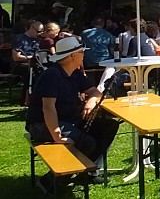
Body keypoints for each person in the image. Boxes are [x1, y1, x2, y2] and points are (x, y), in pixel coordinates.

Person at [25, 36, 119, 189]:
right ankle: (49, 183)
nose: (84, 55)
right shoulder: (52, 75)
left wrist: (91, 100)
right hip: (42, 125)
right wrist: (57, 136)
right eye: (82, 52)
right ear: (73, 56)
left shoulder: (74, 74)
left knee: (109, 126)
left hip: (68, 121)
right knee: (87, 142)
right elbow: (48, 108)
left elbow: (95, 92)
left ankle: (89, 173)